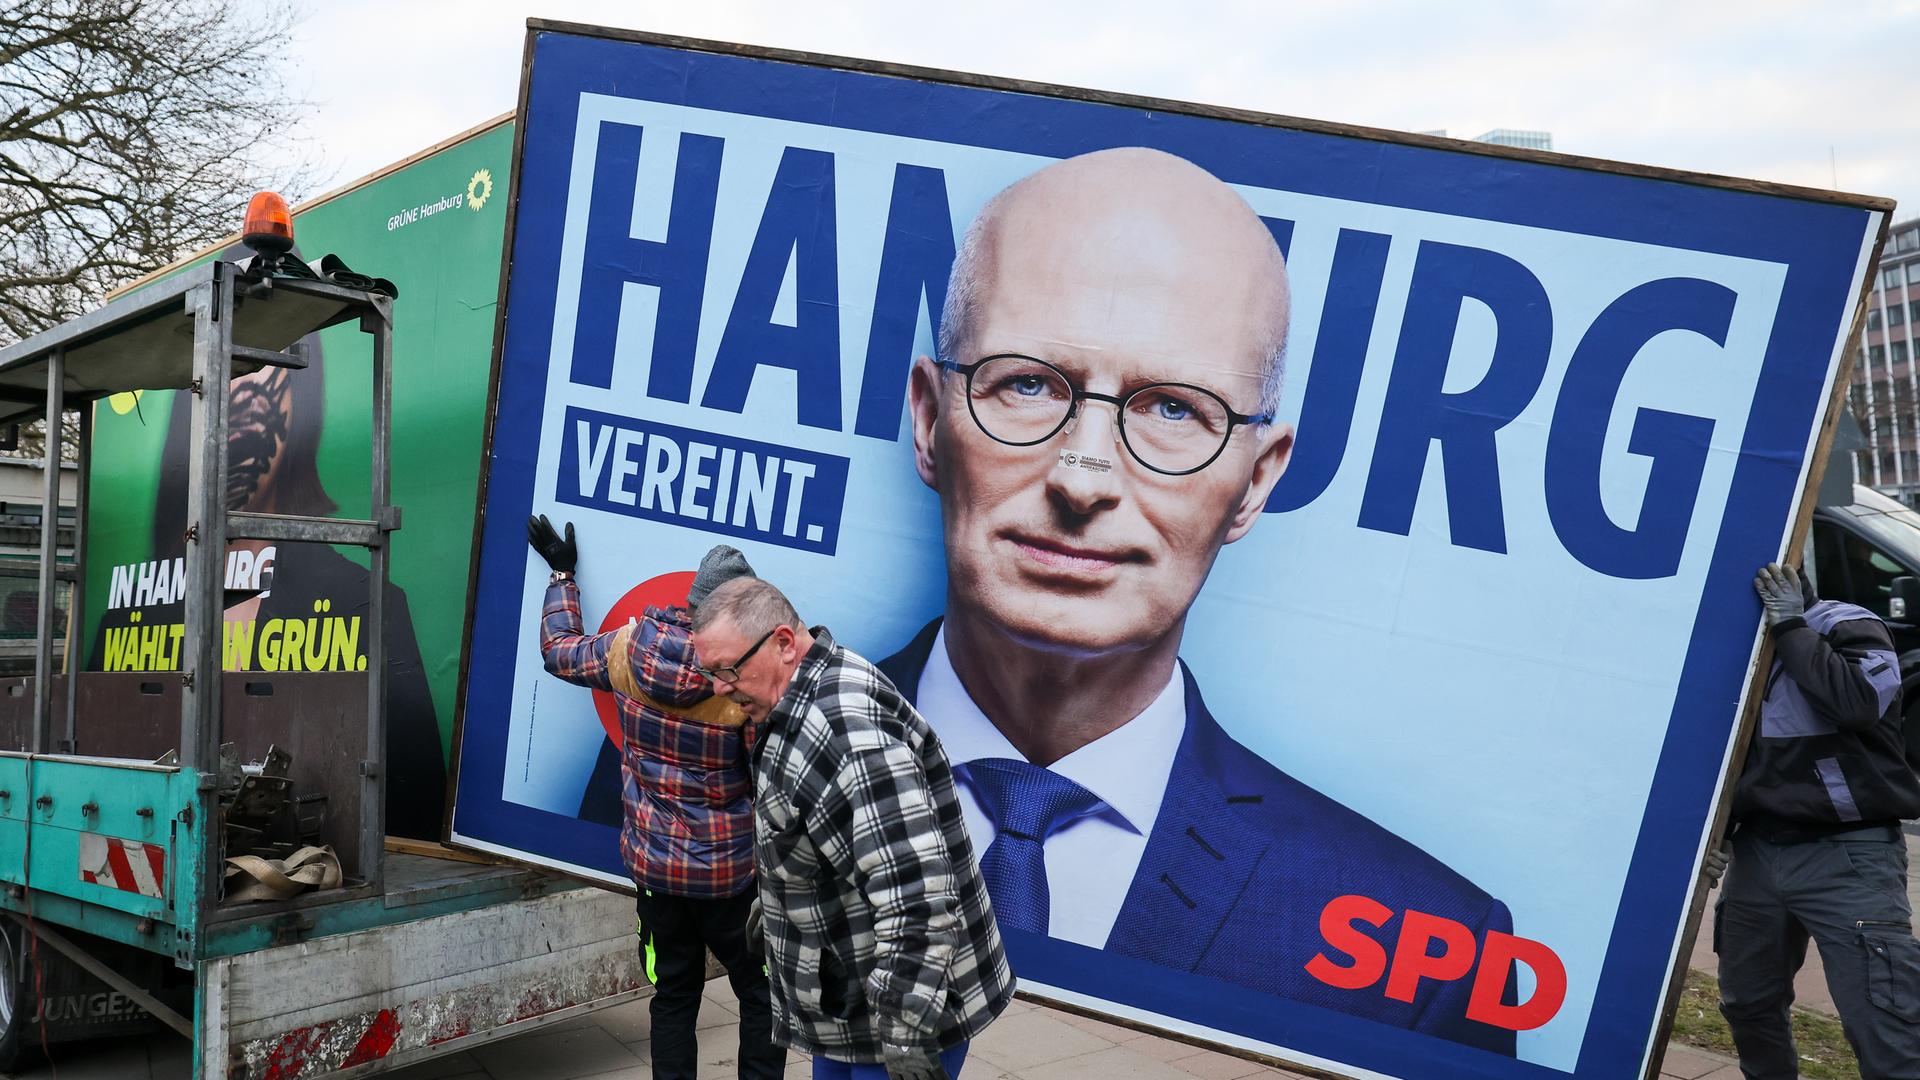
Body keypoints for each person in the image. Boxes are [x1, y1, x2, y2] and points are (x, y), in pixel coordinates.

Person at [890, 146, 1514, 1051]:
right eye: (1027, 383)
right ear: (929, 421)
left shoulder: (1428, 953)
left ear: (1255, 483)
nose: (1083, 478)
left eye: (1174, 409)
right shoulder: (715, 773)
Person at [90, 261, 445, 839]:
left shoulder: (364, 600)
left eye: (261, 396)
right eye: (221, 395)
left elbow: (415, 801)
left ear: (299, 416)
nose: (237, 422)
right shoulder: (133, 609)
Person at [689, 576, 1012, 1080]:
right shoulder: (799, 693)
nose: (719, 688)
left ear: (783, 643)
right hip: (852, 1003)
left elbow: (916, 892)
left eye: (728, 669)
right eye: (710, 672)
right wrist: (778, 903)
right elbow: (823, 832)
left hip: (901, 1020)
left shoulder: (846, 737)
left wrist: (905, 1025)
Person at [527, 523, 783, 1080]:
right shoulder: (744, 683)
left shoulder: (629, 648)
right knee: (761, 997)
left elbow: (558, 651)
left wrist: (562, 574)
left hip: (656, 873)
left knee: (674, 996)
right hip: (730, 878)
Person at [1716, 561, 1920, 1078]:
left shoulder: (1849, 624)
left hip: (1849, 855)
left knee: (1884, 1023)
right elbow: (1717, 759)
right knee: (1747, 1004)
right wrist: (1711, 837)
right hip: (1757, 853)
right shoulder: (1727, 644)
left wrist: (1791, 626)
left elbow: (1856, 704)